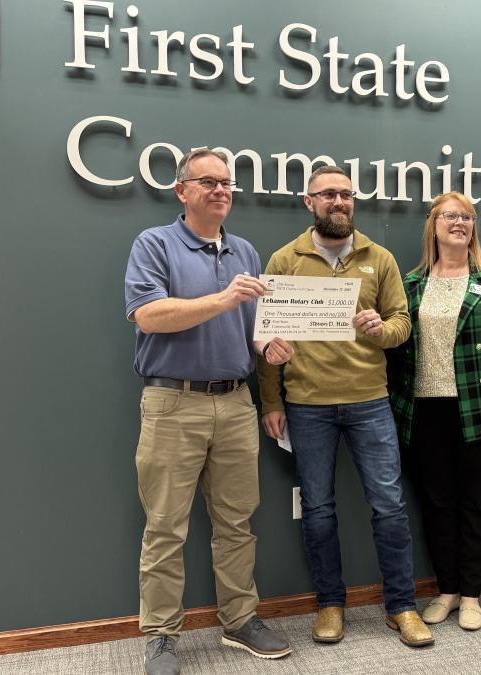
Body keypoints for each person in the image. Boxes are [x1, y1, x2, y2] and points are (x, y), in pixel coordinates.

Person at [124, 149, 294, 674]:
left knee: (237, 522)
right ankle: (160, 637)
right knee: (166, 527)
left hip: (235, 402)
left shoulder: (245, 249)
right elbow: (148, 315)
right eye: (209, 182)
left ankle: (240, 620)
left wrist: (270, 348)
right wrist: (222, 300)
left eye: (227, 182)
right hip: (173, 402)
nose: (222, 190)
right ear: (182, 191)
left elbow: (255, 328)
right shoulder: (154, 244)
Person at [256, 166, 433, 648]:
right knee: (317, 509)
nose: (339, 201)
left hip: (369, 402)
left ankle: (402, 606)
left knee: (390, 507)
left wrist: (383, 329)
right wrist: (271, 401)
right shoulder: (284, 260)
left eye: (346, 194)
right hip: (306, 406)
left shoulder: (380, 258)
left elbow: (403, 325)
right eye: (328, 194)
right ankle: (330, 604)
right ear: (308, 202)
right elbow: (268, 337)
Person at [388, 192, 481, 631]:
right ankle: (446, 590)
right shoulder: (411, 283)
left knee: (478, 504)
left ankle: (471, 595)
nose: (459, 222)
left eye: (467, 216)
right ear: (433, 224)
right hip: (423, 412)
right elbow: (395, 345)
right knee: (437, 504)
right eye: (450, 215)